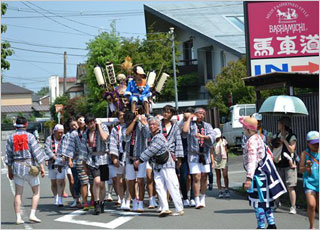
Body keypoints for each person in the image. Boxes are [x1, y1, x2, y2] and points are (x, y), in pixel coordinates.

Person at [240, 116, 287, 229]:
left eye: (243, 127)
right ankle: (271, 223)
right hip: (264, 173)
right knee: (265, 201)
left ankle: (261, 225)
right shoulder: (259, 138)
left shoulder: (251, 141)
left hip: (257, 175)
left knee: (258, 201)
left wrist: (249, 178)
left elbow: (252, 160)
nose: (242, 129)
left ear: (248, 129)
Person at [134, 117, 184, 217]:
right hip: (157, 165)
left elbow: (151, 150)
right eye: (150, 124)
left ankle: (179, 208)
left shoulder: (159, 137)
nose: (151, 126)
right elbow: (147, 133)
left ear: (158, 126)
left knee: (172, 185)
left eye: (154, 124)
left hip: (167, 164)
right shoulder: (153, 136)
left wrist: (139, 160)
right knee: (159, 186)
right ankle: (165, 208)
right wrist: (144, 124)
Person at [5, 116, 46, 224]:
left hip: (17, 167)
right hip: (30, 167)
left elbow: (8, 155)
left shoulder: (10, 137)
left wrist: (9, 169)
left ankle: (18, 217)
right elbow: (36, 152)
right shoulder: (30, 136)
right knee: (36, 191)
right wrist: (41, 167)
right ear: (26, 124)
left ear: (16, 125)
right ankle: (32, 214)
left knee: (18, 193)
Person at [182, 107, 217, 209]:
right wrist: (189, 119)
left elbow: (212, 137)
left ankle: (202, 198)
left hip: (205, 154)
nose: (201, 115)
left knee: (204, 177)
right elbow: (184, 131)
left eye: (203, 113)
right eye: (199, 113)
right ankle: (196, 199)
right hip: (193, 154)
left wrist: (203, 136)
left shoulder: (207, 125)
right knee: (196, 177)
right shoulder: (191, 125)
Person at [82, 114, 109, 215]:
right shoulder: (86, 133)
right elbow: (83, 149)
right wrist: (84, 165)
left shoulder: (102, 127)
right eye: (89, 123)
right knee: (96, 181)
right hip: (92, 159)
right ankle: (96, 202)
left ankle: (102, 202)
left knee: (102, 184)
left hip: (103, 158)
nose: (91, 125)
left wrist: (100, 126)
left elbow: (105, 138)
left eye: (92, 122)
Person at [271, 116, 297, 214]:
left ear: (284, 125)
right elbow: (273, 147)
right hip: (278, 163)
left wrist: (284, 140)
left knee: (290, 186)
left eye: (279, 123)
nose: (278, 125)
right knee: (277, 185)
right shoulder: (276, 135)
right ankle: (276, 204)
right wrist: (271, 140)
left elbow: (292, 149)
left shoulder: (292, 136)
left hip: (289, 165)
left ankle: (293, 207)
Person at [123, 111, 149, 212]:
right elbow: (126, 134)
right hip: (129, 158)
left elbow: (148, 135)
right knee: (130, 181)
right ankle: (134, 201)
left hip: (141, 157)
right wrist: (133, 121)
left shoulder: (140, 125)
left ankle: (141, 203)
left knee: (141, 181)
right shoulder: (126, 127)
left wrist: (143, 122)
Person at [109, 111, 130, 210]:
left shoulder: (131, 126)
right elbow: (112, 143)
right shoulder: (115, 129)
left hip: (129, 155)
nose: (122, 117)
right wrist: (114, 158)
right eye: (120, 115)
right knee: (120, 180)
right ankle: (121, 200)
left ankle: (128, 200)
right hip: (119, 155)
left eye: (124, 115)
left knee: (129, 179)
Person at [299, 131, 319, 230]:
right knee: (311, 205)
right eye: (314, 143)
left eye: (318, 143)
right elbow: (300, 169)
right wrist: (307, 167)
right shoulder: (305, 153)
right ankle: (312, 227)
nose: (316, 145)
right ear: (308, 143)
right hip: (309, 182)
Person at [45, 124, 67, 207]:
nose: (60, 134)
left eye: (62, 132)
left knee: (60, 181)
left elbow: (67, 148)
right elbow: (47, 149)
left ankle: (60, 199)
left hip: (62, 164)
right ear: (54, 132)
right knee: (53, 183)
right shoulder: (49, 139)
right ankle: (56, 197)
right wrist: (53, 157)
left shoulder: (65, 138)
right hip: (52, 163)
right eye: (59, 133)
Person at [177, 108, 195, 207]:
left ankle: (193, 197)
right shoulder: (180, 122)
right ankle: (184, 197)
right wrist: (187, 119)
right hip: (182, 153)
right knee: (183, 176)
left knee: (193, 176)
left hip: (193, 153)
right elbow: (184, 131)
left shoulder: (196, 123)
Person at [62, 118, 81, 208]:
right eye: (72, 125)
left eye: (75, 124)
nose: (74, 126)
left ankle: (81, 199)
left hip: (83, 160)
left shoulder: (82, 132)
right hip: (72, 160)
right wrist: (68, 159)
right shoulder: (68, 135)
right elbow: (69, 148)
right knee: (73, 180)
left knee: (82, 181)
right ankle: (75, 199)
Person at [212, 128, 230, 198]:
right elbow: (211, 152)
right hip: (216, 159)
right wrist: (212, 161)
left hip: (223, 158)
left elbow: (226, 150)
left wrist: (226, 160)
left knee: (225, 174)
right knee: (218, 175)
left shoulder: (223, 141)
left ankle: (226, 188)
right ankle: (220, 190)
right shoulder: (213, 142)